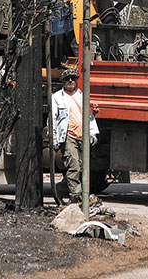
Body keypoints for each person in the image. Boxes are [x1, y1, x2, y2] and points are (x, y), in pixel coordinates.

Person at [51, 68, 98, 202]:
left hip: (83, 136)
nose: (70, 81)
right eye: (67, 79)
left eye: (73, 78)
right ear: (63, 81)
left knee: (81, 169)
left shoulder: (82, 95)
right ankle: (76, 197)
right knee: (74, 167)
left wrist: (93, 133)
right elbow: (53, 119)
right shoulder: (57, 97)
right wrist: (54, 138)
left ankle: (59, 189)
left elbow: (89, 116)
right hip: (68, 136)